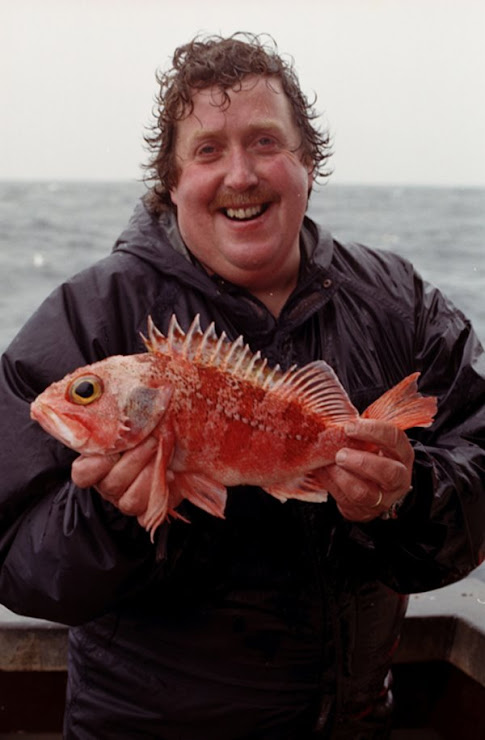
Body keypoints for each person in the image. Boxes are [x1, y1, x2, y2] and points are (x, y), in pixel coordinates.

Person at [0, 33, 483, 740]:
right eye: (206, 151)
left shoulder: (398, 303)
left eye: (265, 142)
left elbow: (478, 472)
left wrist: (407, 496)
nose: (240, 174)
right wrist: (109, 518)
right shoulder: (90, 317)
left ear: (306, 163)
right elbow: (16, 561)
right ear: (169, 180)